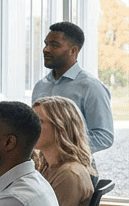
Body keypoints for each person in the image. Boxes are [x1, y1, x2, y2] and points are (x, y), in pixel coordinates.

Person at [32, 22, 114, 163]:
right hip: (41, 168)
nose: (46, 49)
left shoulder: (91, 87)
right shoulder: (40, 86)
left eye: (54, 45)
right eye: (46, 44)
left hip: (77, 169)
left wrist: (61, 149)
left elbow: (104, 136)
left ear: (73, 51)